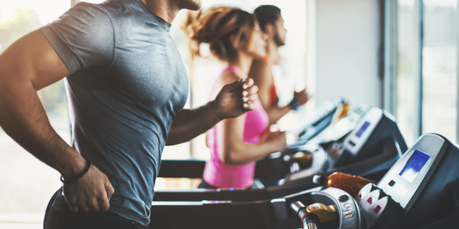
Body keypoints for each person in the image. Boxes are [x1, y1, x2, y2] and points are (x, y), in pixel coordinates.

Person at [0, 0, 259, 228]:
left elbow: (157, 129)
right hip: (92, 216)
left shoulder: (165, 41)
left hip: (129, 217)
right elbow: (7, 79)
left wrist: (216, 111)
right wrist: (74, 168)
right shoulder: (106, 22)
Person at [183, 6, 288, 189]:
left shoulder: (237, 79)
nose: (263, 36)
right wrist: (274, 145)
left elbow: (213, 140)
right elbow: (230, 153)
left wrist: (262, 141)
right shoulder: (232, 82)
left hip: (237, 189)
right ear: (237, 40)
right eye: (255, 29)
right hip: (223, 195)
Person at [249, 5, 310, 125]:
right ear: (270, 29)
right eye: (282, 24)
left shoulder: (269, 65)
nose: (285, 30)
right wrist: (294, 103)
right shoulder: (261, 67)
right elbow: (263, 118)